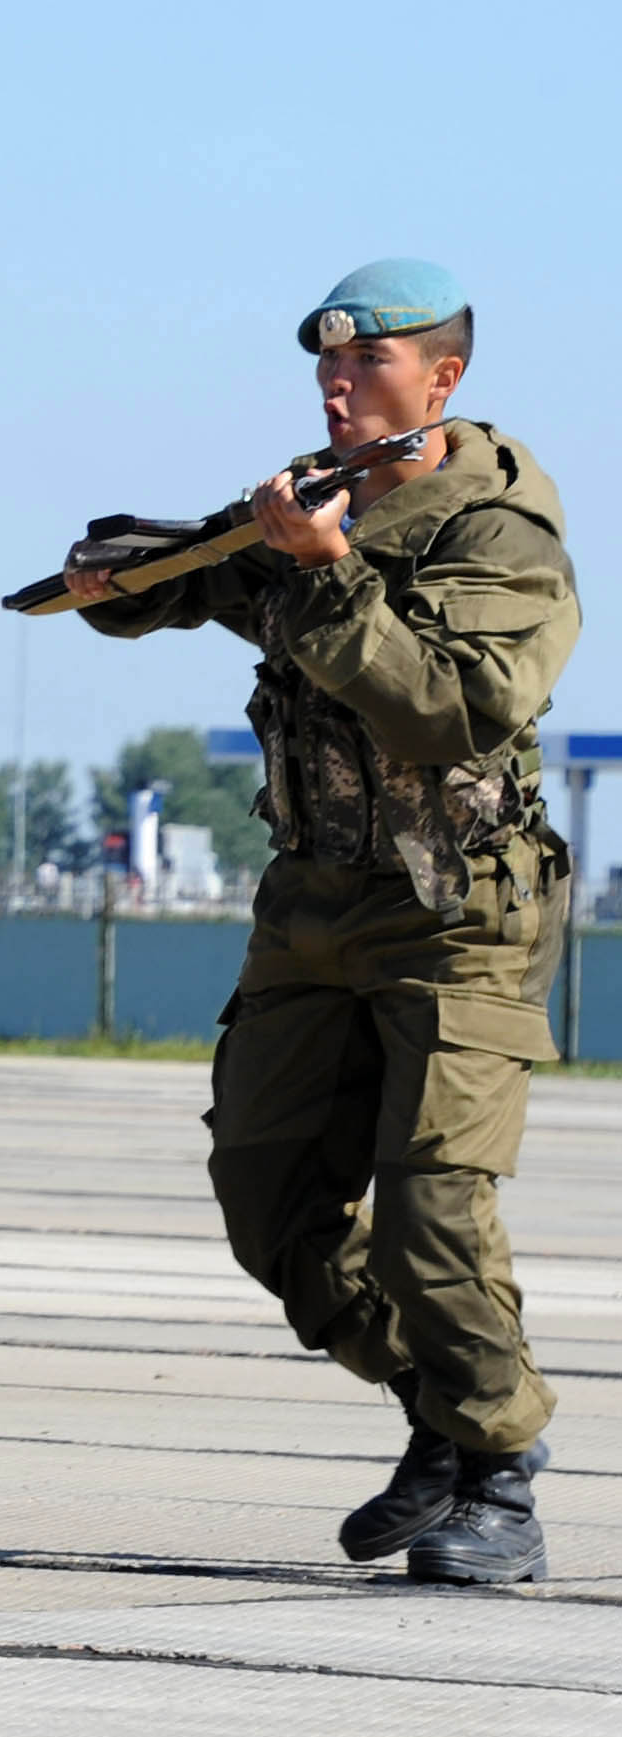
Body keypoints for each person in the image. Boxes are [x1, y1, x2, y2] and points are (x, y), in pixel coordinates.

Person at [63, 260, 576, 1583]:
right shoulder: (311, 503)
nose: (334, 386)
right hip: (309, 903)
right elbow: (212, 576)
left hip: (453, 911)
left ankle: (497, 1470)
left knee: (429, 1204)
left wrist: (329, 569)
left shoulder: (498, 538)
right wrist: (126, 576)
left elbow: (445, 708)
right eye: (324, 369)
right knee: (267, 1198)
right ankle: (436, 1408)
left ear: (440, 381)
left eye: (364, 366)